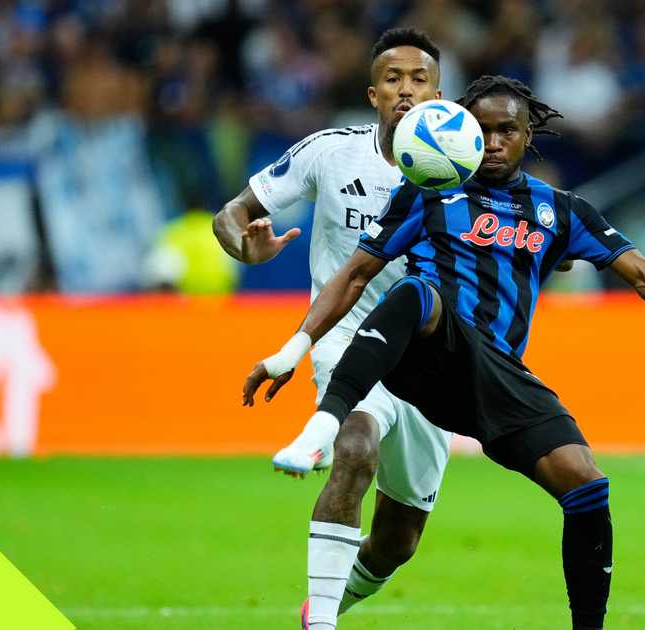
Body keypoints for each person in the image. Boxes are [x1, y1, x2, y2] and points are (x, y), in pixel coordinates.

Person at [243, 75, 645, 629]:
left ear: (526, 134)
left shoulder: (560, 210)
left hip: (496, 377)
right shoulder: (428, 192)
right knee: (417, 291)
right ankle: (325, 425)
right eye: (481, 130)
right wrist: (293, 349)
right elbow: (354, 275)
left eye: (506, 130)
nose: (492, 141)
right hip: (426, 356)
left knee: (584, 483)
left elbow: (643, 275)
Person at [212, 28, 454, 630]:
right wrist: (243, 247)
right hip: (345, 335)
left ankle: (325, 603)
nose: (406, 90)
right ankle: (323, 623)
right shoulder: (330, 150)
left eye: (418, 79)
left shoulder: (465, 168)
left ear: (439, 94)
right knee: (355, 445)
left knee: (399, 540)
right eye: (393, 80)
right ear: (373, 95)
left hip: (431, 355)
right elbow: (234, 212)